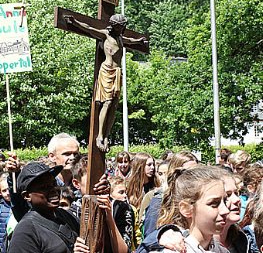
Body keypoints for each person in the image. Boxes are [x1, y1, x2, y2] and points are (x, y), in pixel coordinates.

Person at [64, 14, 147, 152]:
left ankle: (107, 135)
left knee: (114, 105)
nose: (122, 29)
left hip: (117, 72)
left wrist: (140, 41)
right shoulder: (105, 35)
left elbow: (131, 41)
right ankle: (100, 136)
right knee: (106, 102)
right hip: (107, 70)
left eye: (123, 26)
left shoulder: (121, 38)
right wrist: (74, 22)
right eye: (119, 26)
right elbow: (89, 28)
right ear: (114, 25)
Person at [137, 166, 230, 253]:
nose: (225, 210)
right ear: (186, 209)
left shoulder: (221, 250)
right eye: (214, 204)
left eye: (225, 201)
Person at [7, 161, 87, 253]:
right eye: (44, 187)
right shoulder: (25, 231)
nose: (53, 190)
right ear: (27, 196)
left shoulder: (66, 215)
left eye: (54, 184)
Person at [0, 173, 11, 253]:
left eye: (9, 189)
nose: (8, 192)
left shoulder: (22, 206)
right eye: (4, 190)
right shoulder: (1, 207)